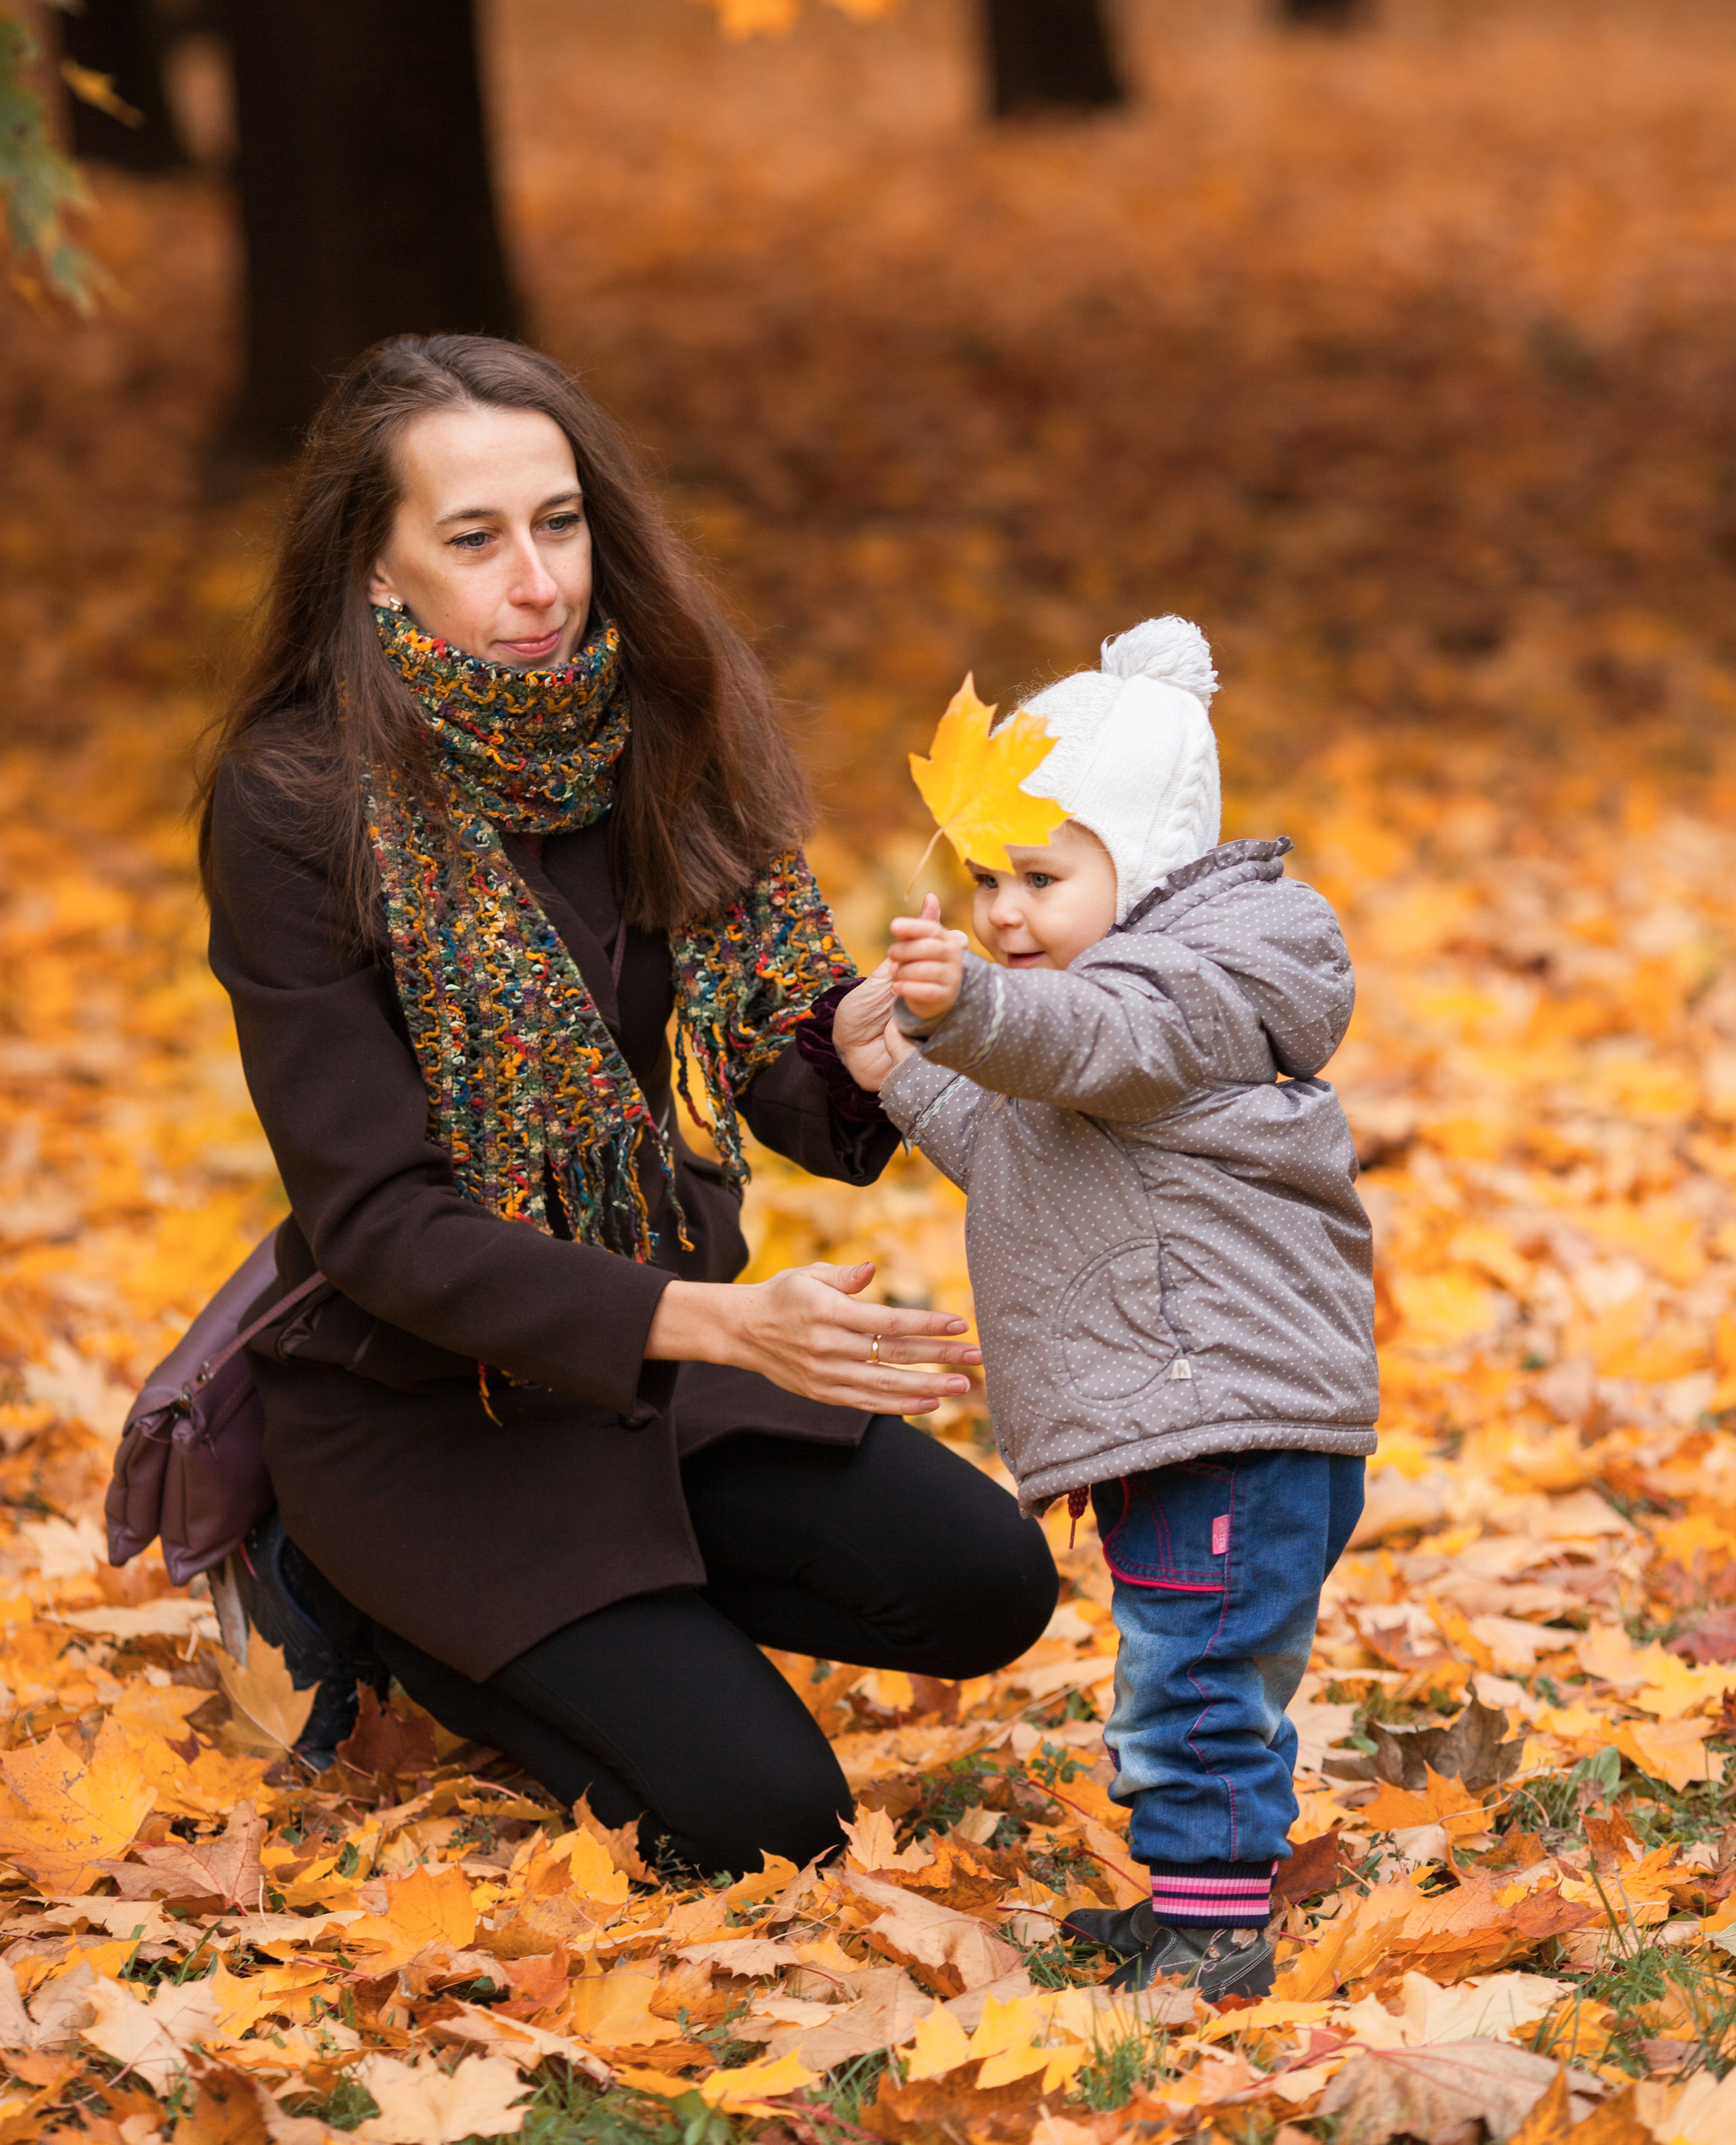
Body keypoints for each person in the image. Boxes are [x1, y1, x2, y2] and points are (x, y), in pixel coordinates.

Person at [201, 330, 1056, 1872]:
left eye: (559, 522)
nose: (537, 582)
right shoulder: (295, 806)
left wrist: (865, 1033)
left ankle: (638, 1627)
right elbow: (381, 1226)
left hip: (641, 1373)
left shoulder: (655, 718)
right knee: (769, 1820)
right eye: (473, 539)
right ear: (376, 573)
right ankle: (359, 1600)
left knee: (984, 1581)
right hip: (423, 1402)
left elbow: (780, 1071)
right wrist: (729, 1324)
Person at [831, 618, 1379, 1996]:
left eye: (1040, 876)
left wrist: (968, 1015)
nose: (1004, 911)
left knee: (1193, 1685)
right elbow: (1014, 1133)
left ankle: (1216, 1931)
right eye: (982, 879)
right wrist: (901, 1069)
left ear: (1147, 870)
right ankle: (1195, 1894)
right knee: (1186, 1665)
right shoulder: (1072, 1023)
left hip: (1229, 1418)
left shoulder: (1192, 991)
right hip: (1179, 1411)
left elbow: (1089, 1039)